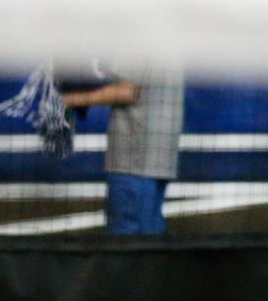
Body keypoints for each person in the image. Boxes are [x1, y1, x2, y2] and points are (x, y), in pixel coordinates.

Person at [60, 61, 184, 235]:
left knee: (125, 249)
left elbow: (127, 92)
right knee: (150, 248)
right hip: (159, 160)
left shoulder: (136, 36)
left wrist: (70, 100)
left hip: (133, 161)